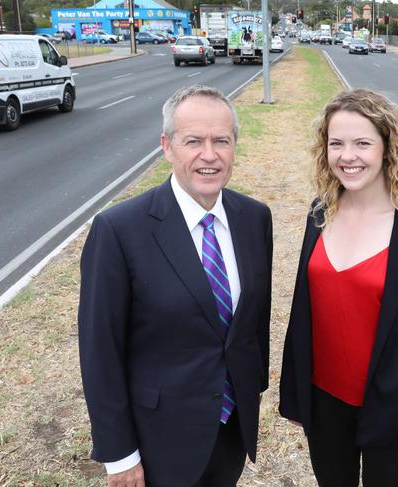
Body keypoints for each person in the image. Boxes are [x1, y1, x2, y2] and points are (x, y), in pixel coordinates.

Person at [78, 85, 273, 487]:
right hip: (158, 442)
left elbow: (255, 321)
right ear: (167, 147)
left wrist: (253, 388)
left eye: (221, 140)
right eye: (193, 141)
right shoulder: (119, 230)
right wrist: (119, 454)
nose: (209, 154)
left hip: (231, 428)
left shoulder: (255, 218)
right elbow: (100, 351)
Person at [279, 89, 398, 487]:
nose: (348, 156)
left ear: (387, 147)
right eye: (336, 143)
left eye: (362, 143)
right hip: (324, 404)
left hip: (392, 408)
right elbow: (303, 311)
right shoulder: (319, 212)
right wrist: (294, 394)